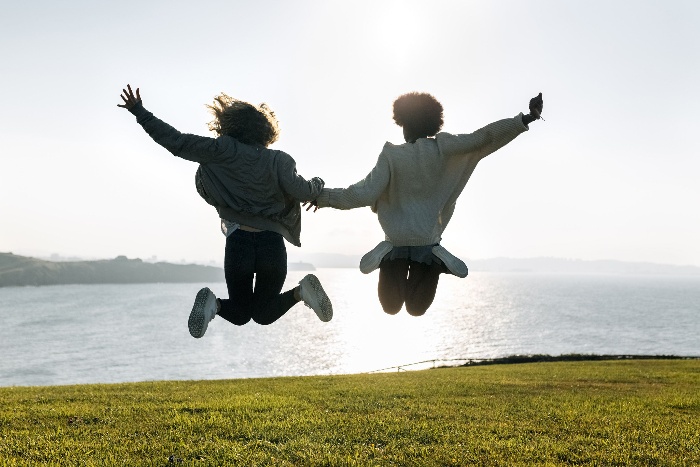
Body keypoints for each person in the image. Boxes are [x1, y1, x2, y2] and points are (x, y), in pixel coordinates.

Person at [118, 85, 333, 338]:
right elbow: (306, 192)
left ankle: (214, 303)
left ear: (229, 125)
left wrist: (139, 111)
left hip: (238, 242)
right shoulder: (280, 160)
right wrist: (318, 182)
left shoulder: (220, 151)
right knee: (263, 314)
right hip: (271, 245)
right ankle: (301, 291)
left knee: (241, 314)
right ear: (265, 129)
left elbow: (174, 141)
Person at [308, 92, 543, 316]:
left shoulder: (392, 155)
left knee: (390, 307)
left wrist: (322, 197)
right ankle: (435, 264)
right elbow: (484, 138)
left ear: (404, 124)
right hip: (428, 244)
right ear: (433, 123)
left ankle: (390, 255)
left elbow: (361, 193)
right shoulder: (445, 148)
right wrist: (525, 119)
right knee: (416, 309)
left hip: (397, 243)